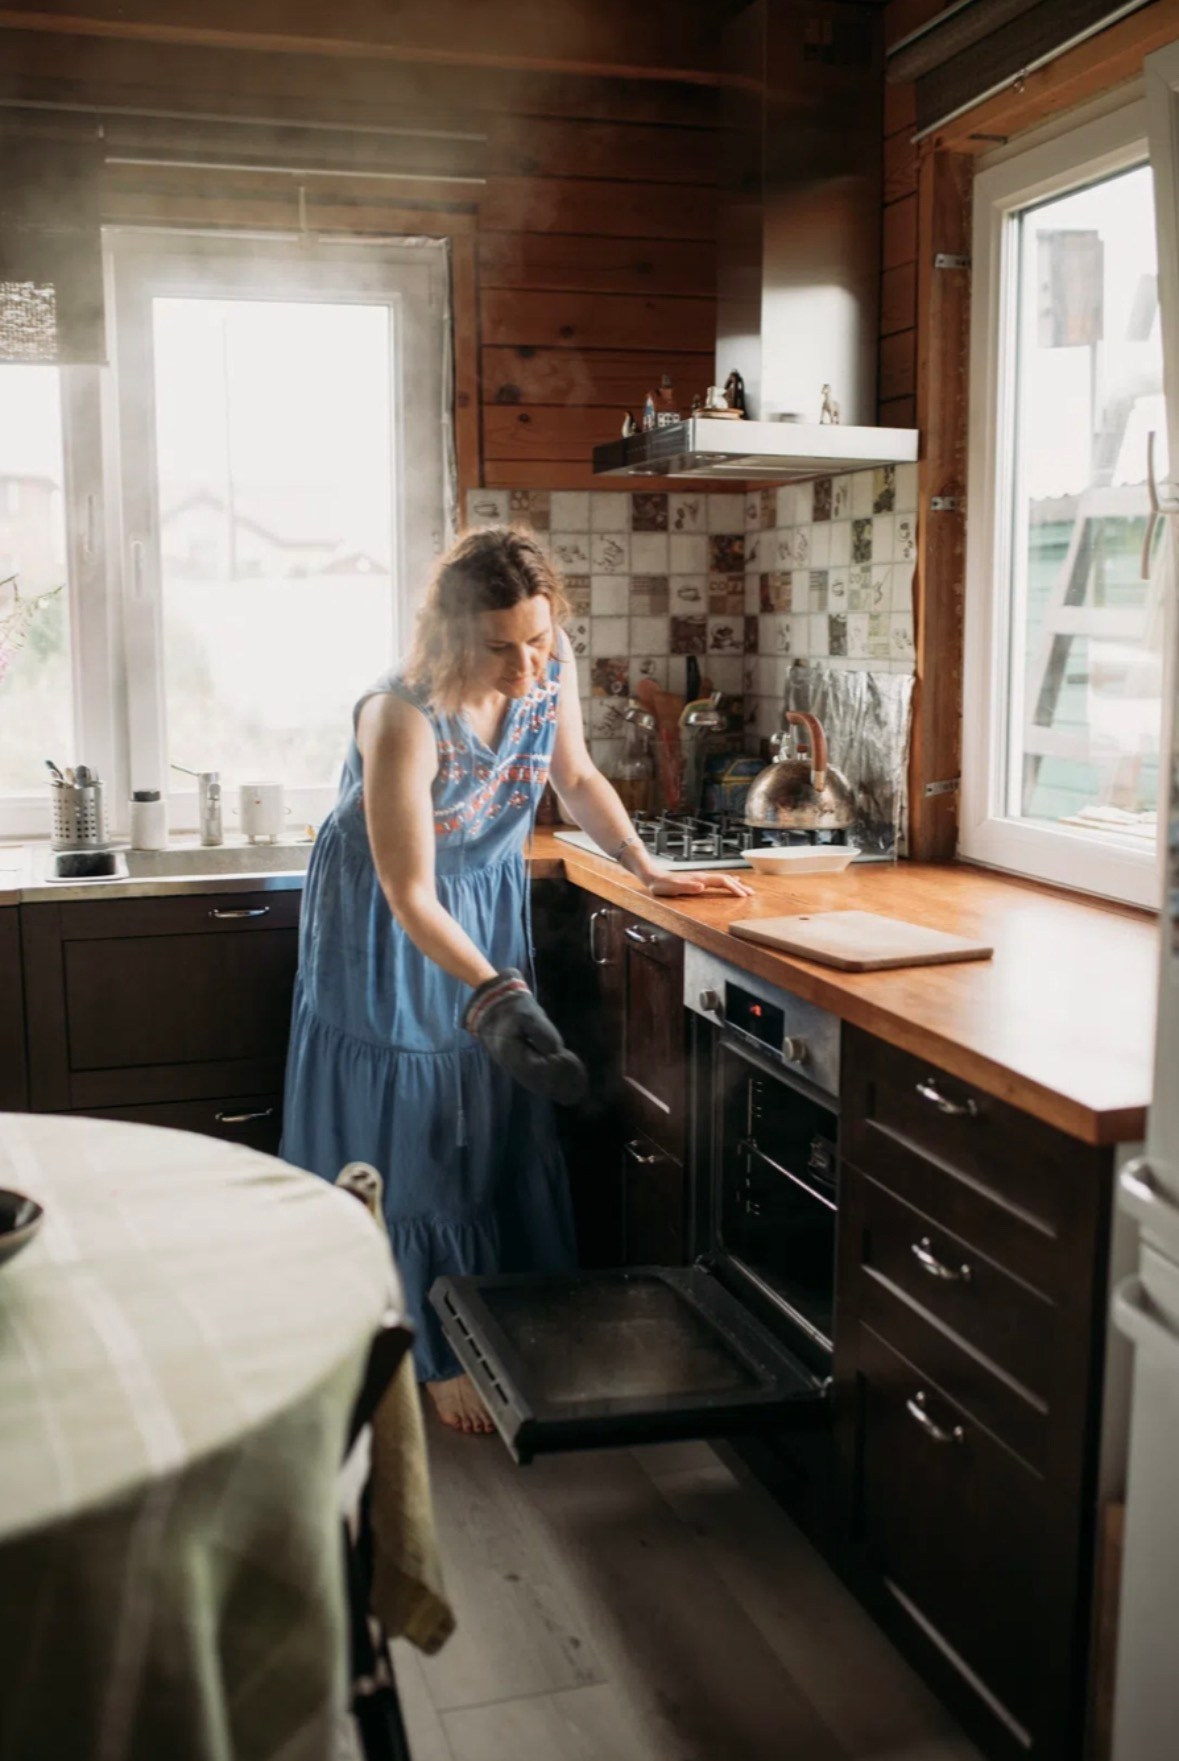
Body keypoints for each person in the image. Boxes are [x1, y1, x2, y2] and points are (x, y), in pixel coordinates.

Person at [281, 526, 752, 1434]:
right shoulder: (399, 716)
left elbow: (573, 775)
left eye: (539, 640)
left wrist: (644, 863)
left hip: (480, 906)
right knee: (411, 1113)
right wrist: (496, 993)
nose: (528, 666)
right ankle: (421, 1349)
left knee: (488, 1101)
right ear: (449, 637)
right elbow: (408, 889)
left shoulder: (547, 663)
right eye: (500, 647)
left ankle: (494, 1309)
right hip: (387, 927)